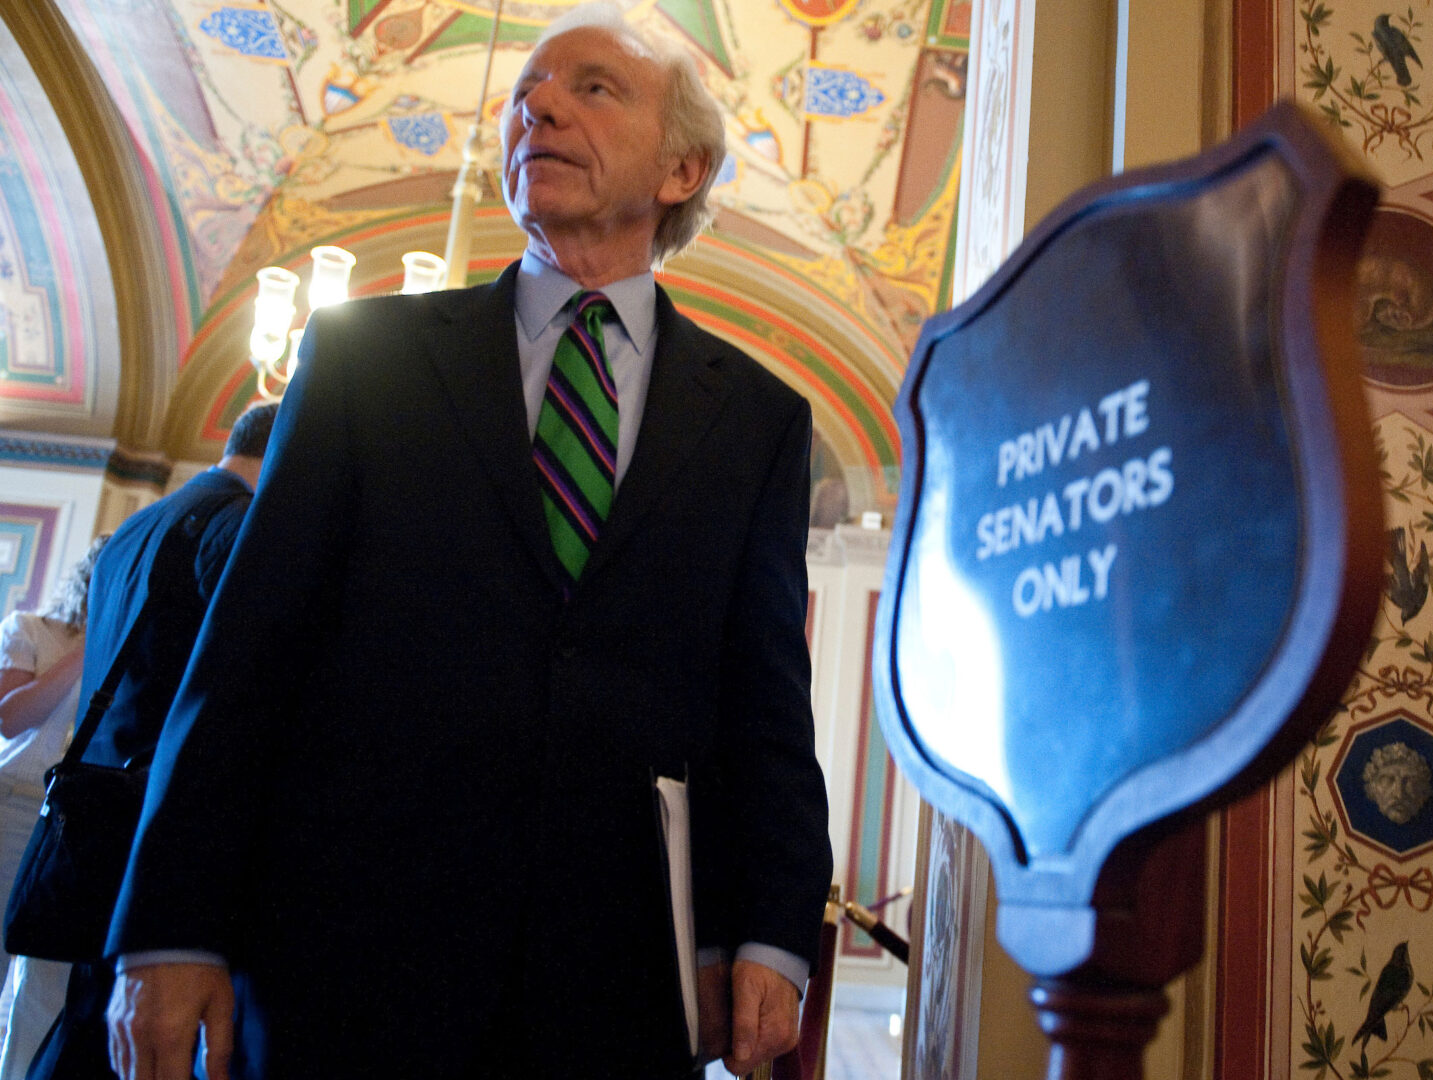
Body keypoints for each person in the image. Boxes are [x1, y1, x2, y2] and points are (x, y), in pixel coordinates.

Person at [104, 7, 832, 1080]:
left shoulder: (760, 418)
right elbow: (247, 655)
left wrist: (770, 929)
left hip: (614, 978)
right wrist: (170, 926)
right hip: (345, 964)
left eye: (592, 88)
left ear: (682, 167)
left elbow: (765, 698)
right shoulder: (365, 360)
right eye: (527, 90)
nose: (534, 104)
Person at [25, 402, 278, 1080]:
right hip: (158, 811)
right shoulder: (235, 524)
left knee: (90, 1022)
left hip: (98, 805)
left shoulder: (137, 525)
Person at [0, 537, 109, 1078]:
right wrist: (89, 650)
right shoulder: (31, 630)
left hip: (78, 819)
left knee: (45, 975)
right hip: (15, 804)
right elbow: (10, 719)